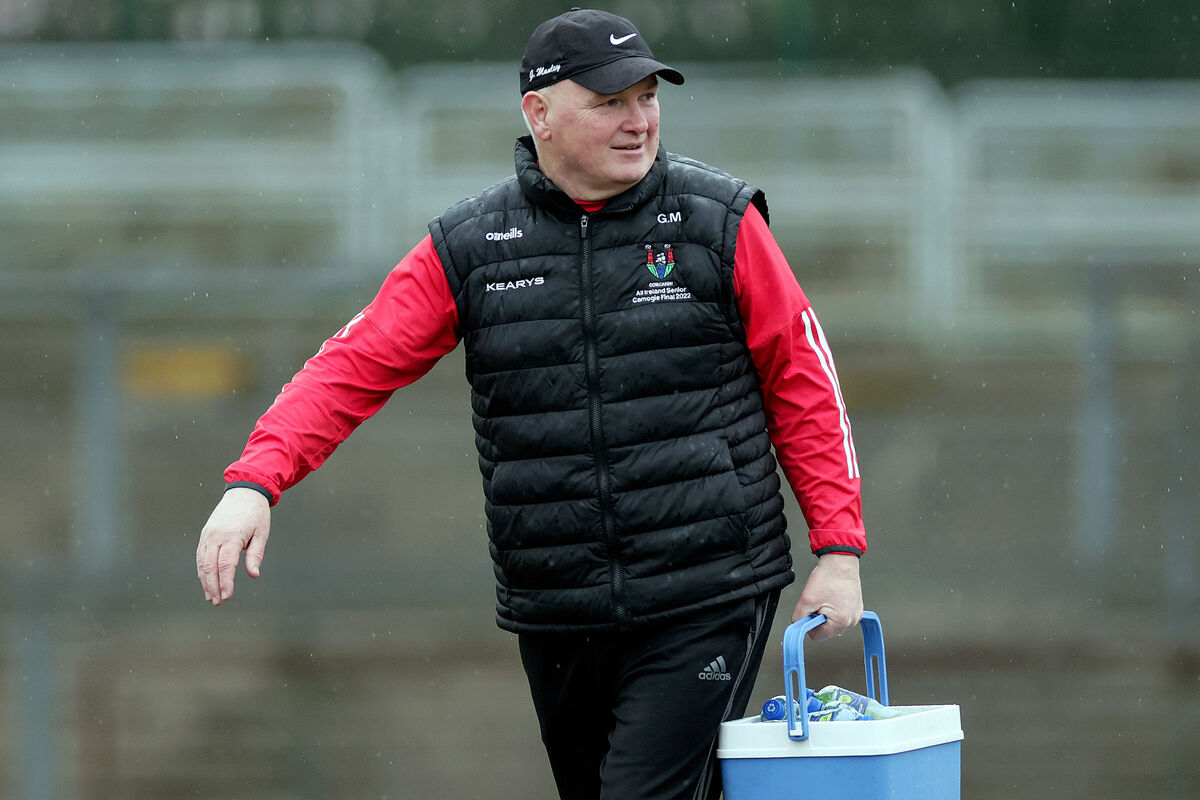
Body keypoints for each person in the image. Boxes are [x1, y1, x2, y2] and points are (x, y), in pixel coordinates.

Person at [197, 8, 866, 799]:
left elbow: (805, 378)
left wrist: (839, 546)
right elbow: (352, 366)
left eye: (649, 97)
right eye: (611, 101)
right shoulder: (473, 246)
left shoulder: (717, 222)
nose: (638, 120)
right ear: (538, 113)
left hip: (708, 588)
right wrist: (255, 481)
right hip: (558, 607)